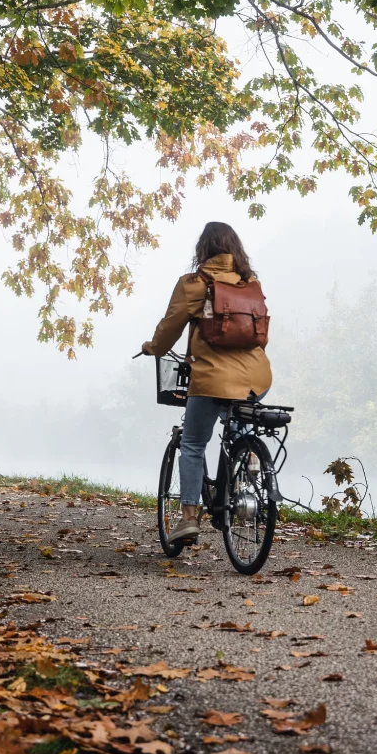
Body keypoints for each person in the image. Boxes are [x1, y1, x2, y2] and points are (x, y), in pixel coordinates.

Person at [141, 221, 272, 543]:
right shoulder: (250, 282)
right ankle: (248, 456)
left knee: (193, 443)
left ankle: (188, 518)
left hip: (212, 377)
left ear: (203, 249)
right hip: (257, 376)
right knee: (240, 420)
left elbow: (170, 326)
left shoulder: (194, 283)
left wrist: (153, 348)